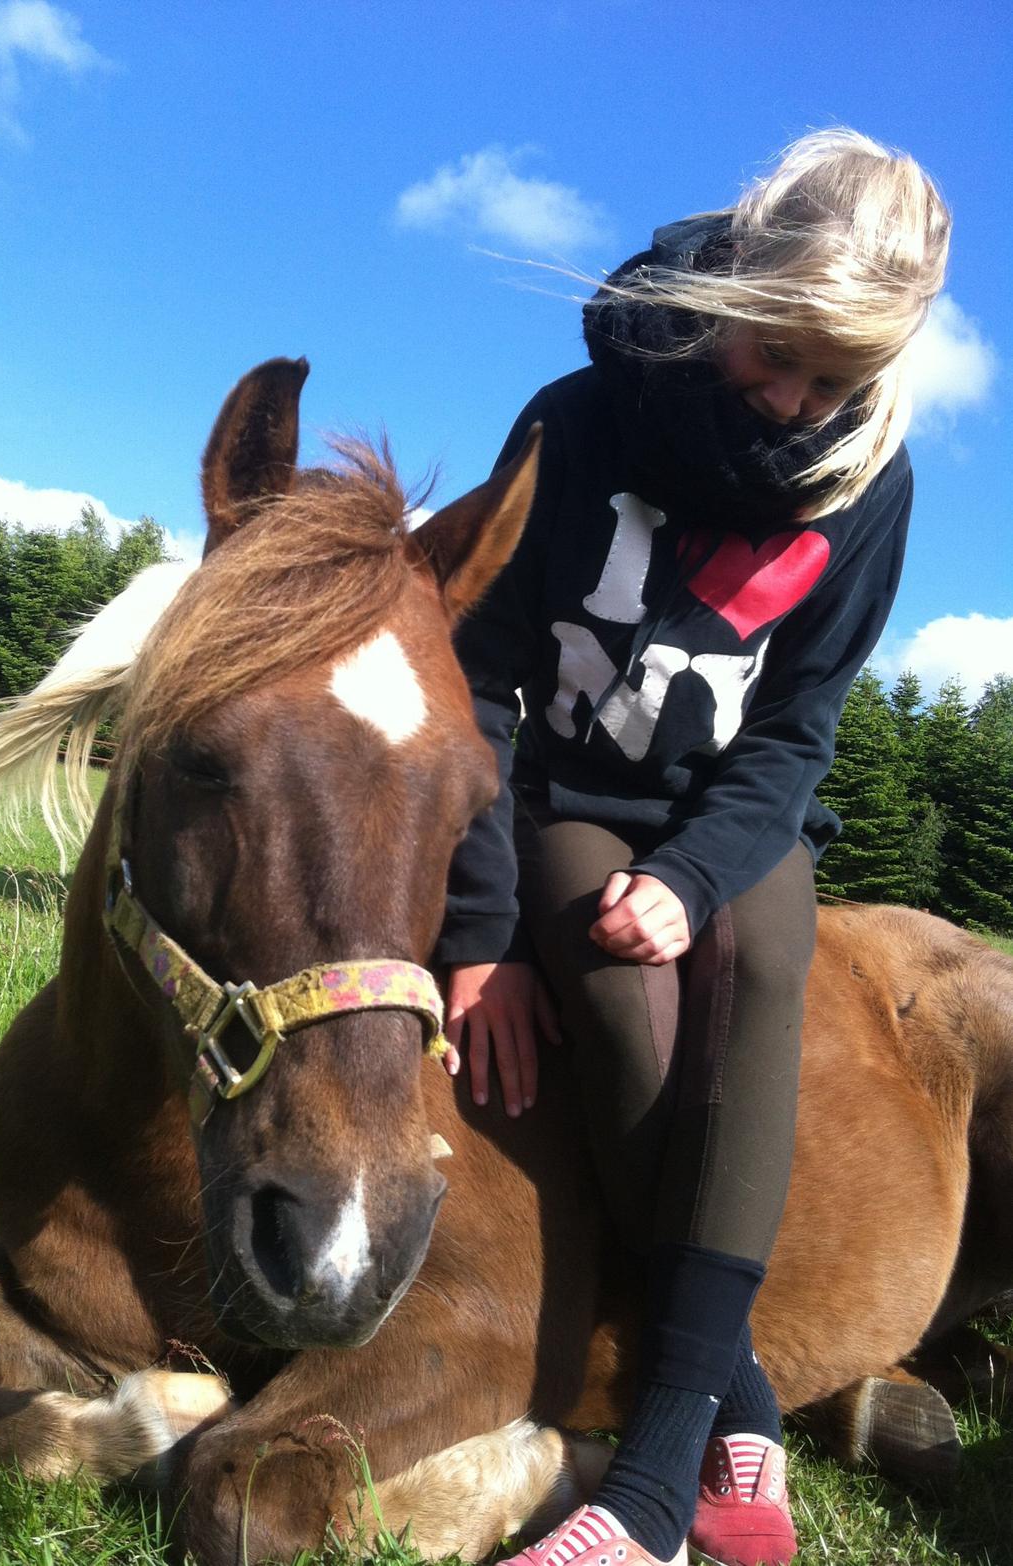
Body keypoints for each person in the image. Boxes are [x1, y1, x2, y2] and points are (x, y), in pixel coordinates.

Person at [435, 129, 950, 1566]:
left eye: (829, 381)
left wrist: (693, 879)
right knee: (607, 993)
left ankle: (653, 1495)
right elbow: (477, 670)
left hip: (736, 822)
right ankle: (745, 1396)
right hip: (576, 796)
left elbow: (792, 736)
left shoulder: (867, 488)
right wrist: (480, 937)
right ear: (734, 287)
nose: (789, 400)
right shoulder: (574, 418)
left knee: (764, 968)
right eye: (769, 353)